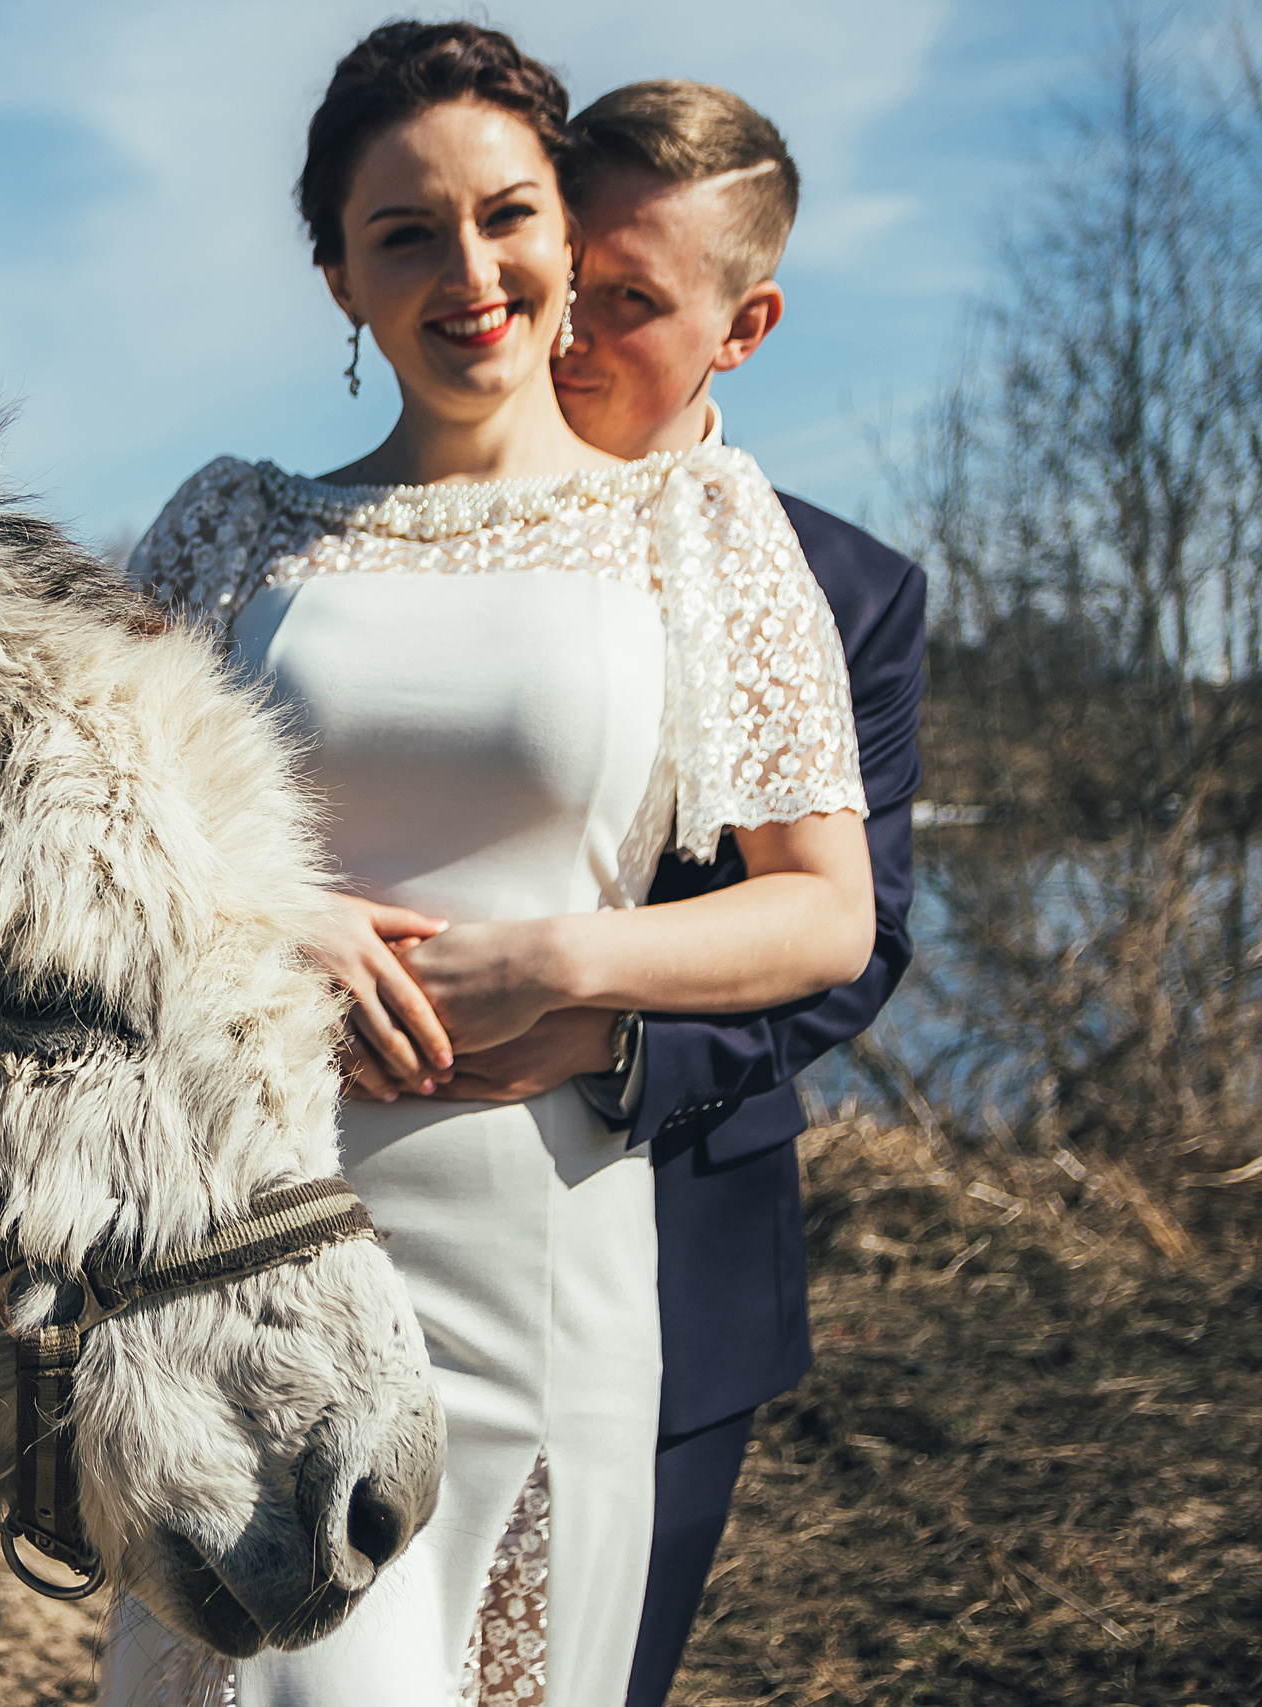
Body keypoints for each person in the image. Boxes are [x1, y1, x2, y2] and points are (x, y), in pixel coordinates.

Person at [103, 22, 874, 1707]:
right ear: (340, 282)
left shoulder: (703, 531)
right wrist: (275, 919)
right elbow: (96, 854)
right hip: (253, 1244)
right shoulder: (231, 529)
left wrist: (572, 967)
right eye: (406, 234)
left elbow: (827, 910)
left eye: (510, 216)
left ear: (564, 234)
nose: (474, 272)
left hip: (546, 1261)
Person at [537, 81, 924, 1707]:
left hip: (679, 1249)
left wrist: (610, 1047)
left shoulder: (847, 591)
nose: (565, 334)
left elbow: (859, 940)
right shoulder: (381, 545)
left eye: (629, 301)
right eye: (559, 277)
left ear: (743, 326)